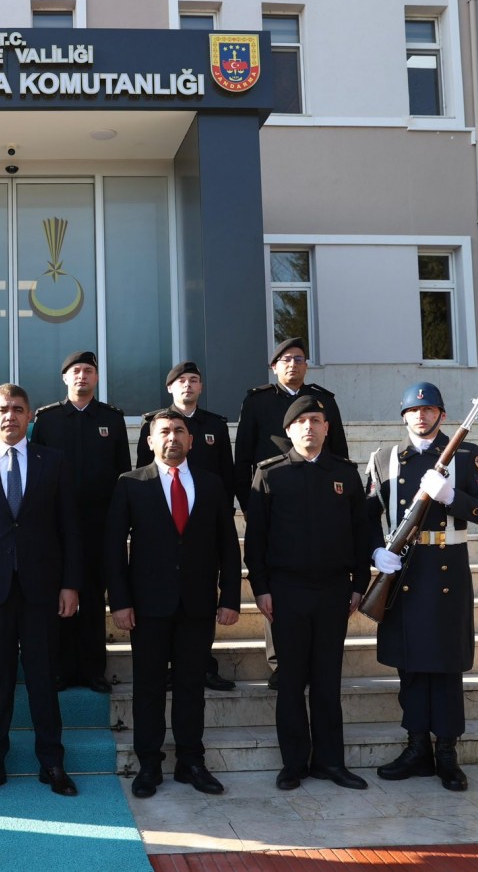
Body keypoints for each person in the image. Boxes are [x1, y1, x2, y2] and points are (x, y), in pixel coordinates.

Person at [365, 382, 478, 791]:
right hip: (403, 568)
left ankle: (446, 751)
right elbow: (364, 516)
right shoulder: (385, 459)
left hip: (447, 571)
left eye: (430, 410)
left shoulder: (465, 455)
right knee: (409, 665)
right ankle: (416, 747)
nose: (421, 416)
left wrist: (452, 498)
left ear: (442, 416)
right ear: (404, 416)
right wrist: (376, 551)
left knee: (445, 667)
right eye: (414, 410)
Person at [0, 384, 82, 798]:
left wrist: (70, 584)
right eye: (3, 409)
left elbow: (71, 530)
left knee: (44, 676)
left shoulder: (54, 462)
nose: (10, 416)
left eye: (19, 409)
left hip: (43, 588)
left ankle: (53, 763)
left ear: (30, 417)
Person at [107, 409, 241, 799]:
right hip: (147, 606)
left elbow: (228, 547)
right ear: (149, 441)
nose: (172, 437)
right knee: (148, 687)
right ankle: (149, 764)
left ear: (191, 440)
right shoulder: (131, 483)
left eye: (179, 430)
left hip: (198, 605)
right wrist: (120, 601)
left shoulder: (213, 484)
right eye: (163, 431)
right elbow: (113, 547)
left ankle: (191, 761)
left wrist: (229, 596)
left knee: (191, 687)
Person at [245, 395, 368, 792]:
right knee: (292, 680)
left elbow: (361, 534)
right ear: (289, 430)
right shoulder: (269, 474)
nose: (310, 427)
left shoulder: (346, 474)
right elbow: (256, 539)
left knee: (328, 681)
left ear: (327, 428)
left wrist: (358, 585)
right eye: (302, 422)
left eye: (317, 420)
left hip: (334, 591)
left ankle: (331, 762)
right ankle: (293, 764)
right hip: (286, 591)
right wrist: (260, 587)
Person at [235, 338, 348, 690]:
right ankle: (280, 661)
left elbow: (339, 454)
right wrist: (252, 507)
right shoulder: (257, 402)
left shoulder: (324, 401)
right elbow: (242, 460)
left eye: (299, 359)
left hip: (318, 506)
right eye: (285, 360)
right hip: (271, 505)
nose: (293, 365)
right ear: (274, 366)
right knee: (275, 583)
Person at [136, 360, 237, 692]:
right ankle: (166, 668)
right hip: (163, 526)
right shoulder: (154, 423)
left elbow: (227, 473)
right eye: (182, 381)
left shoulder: (215, 426)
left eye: (195, 380)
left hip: (202, 523)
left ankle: (203, 666)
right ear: (170, 388)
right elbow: (144, 472)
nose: (188, 385)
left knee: (197, 611)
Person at [30, 350, 129, 692]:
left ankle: (92, 669)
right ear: (64, 378)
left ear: (97, 378)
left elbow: (122, 476)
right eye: (75, 371)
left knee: (91, 595)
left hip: (97, 523)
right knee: (58, 595)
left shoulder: (112, 420)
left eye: (88, 371)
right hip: (54, 524)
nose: (82, 376)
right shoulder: (48, 419)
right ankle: (60, 669)